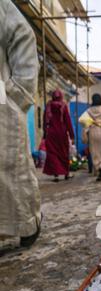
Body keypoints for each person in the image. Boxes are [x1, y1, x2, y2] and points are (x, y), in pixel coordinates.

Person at [0, 0, 41, 253]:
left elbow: (23, 35)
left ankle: (28, 224)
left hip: (2, 101)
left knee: (9, 166)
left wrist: (17, 93)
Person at [43, 89, 75, 182]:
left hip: (51, 134)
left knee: (53, 153)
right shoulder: (64, 106)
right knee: (64, 153)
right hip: (62, 134)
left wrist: (45, 134)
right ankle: (66, 173)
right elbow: (68, 121)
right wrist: (72, 136)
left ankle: (56, 175)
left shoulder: (48, 105)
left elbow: (45, 121)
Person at [80, 93, 101, 182]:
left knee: (95, 154)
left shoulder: (88, 111)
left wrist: (85, 135)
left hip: (93, 133)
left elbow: (84, 123)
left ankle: (99, 169)